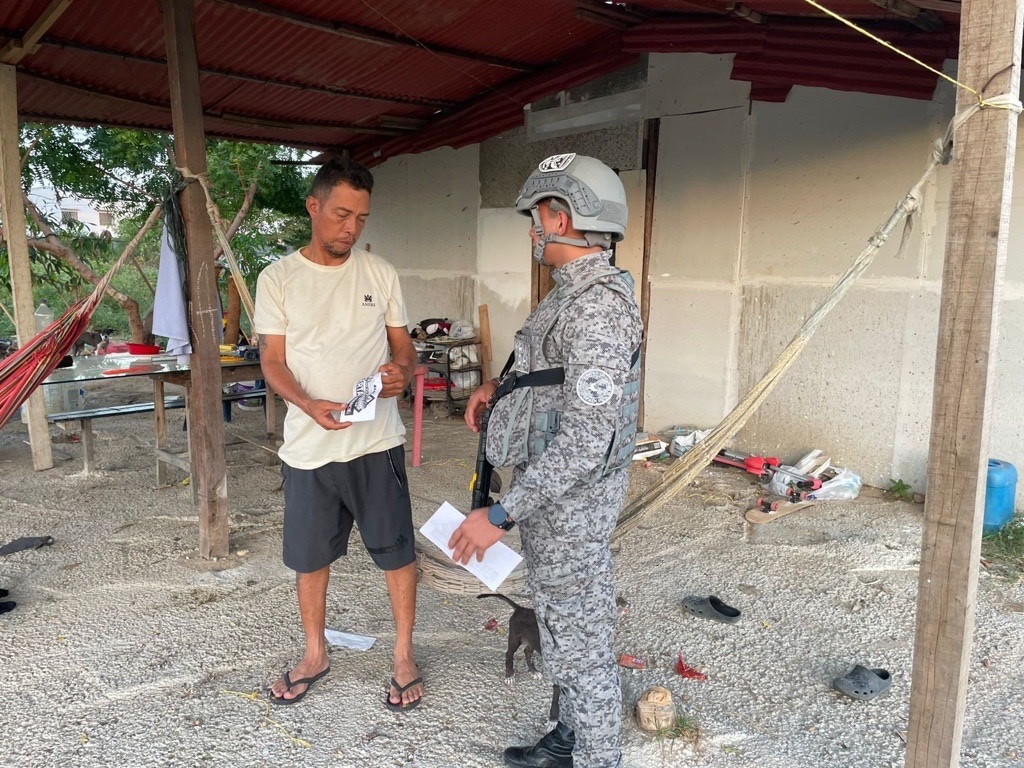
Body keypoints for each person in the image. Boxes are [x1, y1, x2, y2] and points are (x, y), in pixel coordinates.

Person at [449, 153, 643, 768]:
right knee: (562, 628)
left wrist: (500, 515)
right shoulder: (572, 294)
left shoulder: (597, 307)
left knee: (583, 645)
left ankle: (597, 756)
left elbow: (586, 439)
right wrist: (498, 389)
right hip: (553, 503)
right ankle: (569, 736)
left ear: (559, 218)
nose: (533, 230)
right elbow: (552, 379)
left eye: (536, 217)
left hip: (570, 509)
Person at [254, 157, 422, 711]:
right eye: (342, 215)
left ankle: (403, 655)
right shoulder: (278, 278)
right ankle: (315, 653)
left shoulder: (380, 273)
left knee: (396, 553)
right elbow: (272, 361)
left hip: (377, 442)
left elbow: (403, 348)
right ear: (314, 206)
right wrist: (307, 404)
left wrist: (401, 372)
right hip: (309, 446)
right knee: (309, 558)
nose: (352, 228)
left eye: (362, 218)